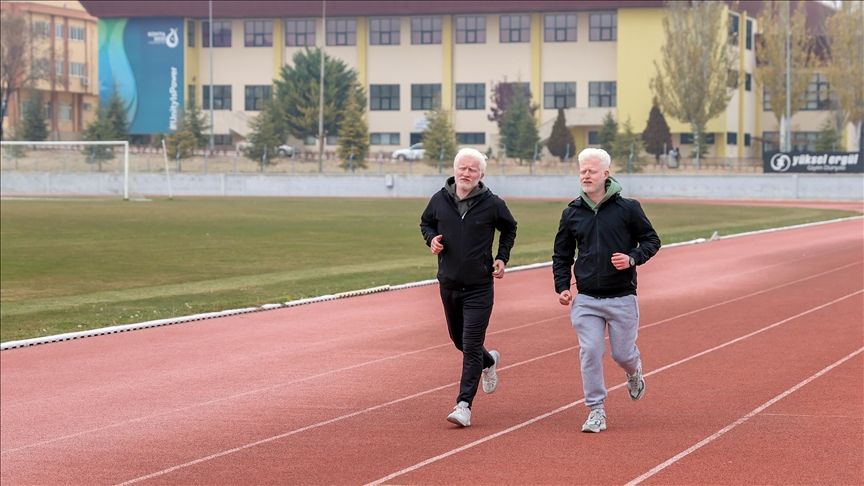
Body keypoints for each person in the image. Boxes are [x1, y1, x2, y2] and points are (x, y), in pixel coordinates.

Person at [552, 148, 661, 433]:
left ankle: (634, 372)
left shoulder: (628, 208)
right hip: (586, 298)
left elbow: (652, 241)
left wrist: (632, 258)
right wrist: (562, 287)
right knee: (590, 350)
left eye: (591, 171)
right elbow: (561, 255)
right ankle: (596, 410)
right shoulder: (572, 212)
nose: (586, 176)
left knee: (621, 355)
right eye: (582, 171)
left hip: (622, 296)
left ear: (606, 174)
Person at [420, 147, 518, 427]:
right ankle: (489, 362)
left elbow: (509, 228)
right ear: (454, 170)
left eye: (472, 170)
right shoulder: (439, 199)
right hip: (449, 284)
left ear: (481, 175)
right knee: (459, 341)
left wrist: (502, 257)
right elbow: (426, 223)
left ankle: (464, 405)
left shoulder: (493, 204)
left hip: (479, 286)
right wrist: (431, 240)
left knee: (471, 344)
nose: (466, 173)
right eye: (462, 168)